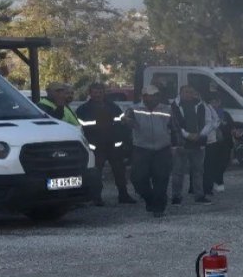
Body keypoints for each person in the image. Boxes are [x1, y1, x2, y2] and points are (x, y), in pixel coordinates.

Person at [76, 82, 136, 206]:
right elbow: (79, 129)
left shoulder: (113, 106)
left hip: (114, 145)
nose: (98, 95)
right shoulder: (83, 109)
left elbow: (122, 123)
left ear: (104, 93)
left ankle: (123, 195)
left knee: (119, 171)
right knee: (96, 173)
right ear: (90, 93)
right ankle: (96, 198)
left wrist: (124, 140)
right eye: (95, 92)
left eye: (100, 92)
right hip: (96, 147)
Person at [123, 85, 175, 218]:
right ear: (142, 96)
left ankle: (158, 207)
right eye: (146, 96)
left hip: (162, 149)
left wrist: (176, 145)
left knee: (161, 179)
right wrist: (127, 121)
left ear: (158, 96)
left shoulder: (168, 109)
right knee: (138, 178)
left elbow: (176, 127)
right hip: (141, 149)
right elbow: (126, 120)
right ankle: (149, 199)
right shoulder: (134, 109)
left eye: (153, 95)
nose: (150, 98)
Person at [169, 85, 218, 204]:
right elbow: (173, 123)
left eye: (191, 92)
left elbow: (209, 121)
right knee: (178, 172)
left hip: (198, 143)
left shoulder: (202, 105)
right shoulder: (173, 106)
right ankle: (176, 196)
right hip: (181, 144)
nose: (189, 94)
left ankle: (199, 195)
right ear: (180, 93)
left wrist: (200, 134)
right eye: (186, 92)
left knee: (198, 171)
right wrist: (187, 135)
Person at [204, 95, 235, 195]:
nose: (214, 104)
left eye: (216, 101)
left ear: (219, 102)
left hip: (225, 142)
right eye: (212, 102)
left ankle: (218, 180)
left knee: (223, 163)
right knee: (212, 163)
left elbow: (231, 126)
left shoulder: (225, 114)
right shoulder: (206, 113)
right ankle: (217, 182)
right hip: (212, 142)